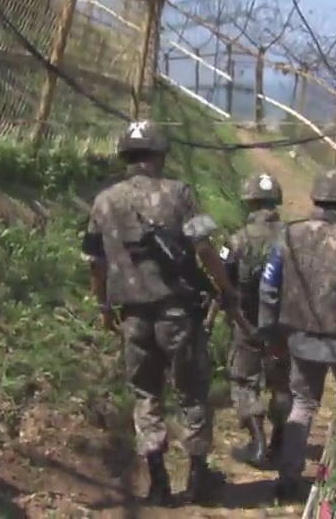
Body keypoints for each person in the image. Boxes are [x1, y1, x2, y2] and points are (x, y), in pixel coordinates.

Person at [81, 119, 240, 506]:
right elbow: (205, 248)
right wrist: (226, 288)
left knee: (146, 394)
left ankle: (158, 482)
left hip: (132, 315)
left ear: (125, 155)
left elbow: (95, 263)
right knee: (192, 392)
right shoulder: (180, 193)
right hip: (178, 313)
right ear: (160, 155)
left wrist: (104, 308)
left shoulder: (104, 201)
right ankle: (198, 479)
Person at [257, 168, 336, 501]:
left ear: (315, 198)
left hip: (299, 336)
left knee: (303, 404)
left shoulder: (288, 235)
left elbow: (268, 286)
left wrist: (270, 331)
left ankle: (288, 479)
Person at [219, 173, 291, 469]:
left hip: (246, 323)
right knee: (282, 386)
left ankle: (257, 441)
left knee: (242, 382)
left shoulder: (236, 240)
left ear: (248, 202)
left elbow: (222, 279)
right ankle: (279, 443)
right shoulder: (293, 237)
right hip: (284, 326)